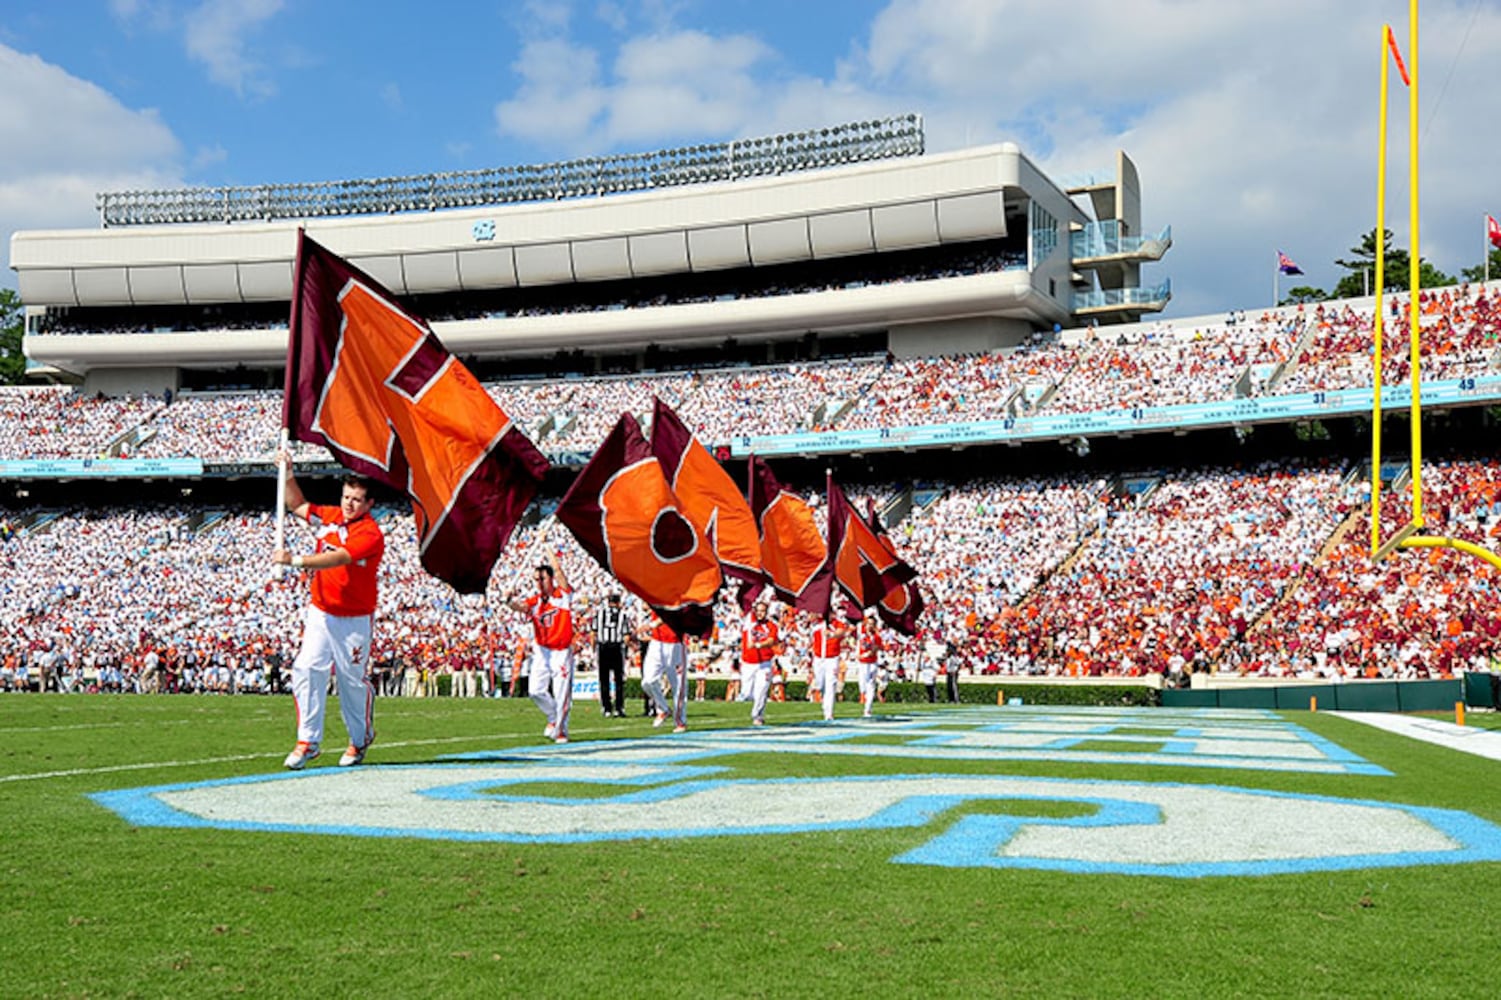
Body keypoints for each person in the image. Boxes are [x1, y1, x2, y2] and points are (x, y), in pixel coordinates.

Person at [272, 467, 385, 770]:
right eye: (347, 497)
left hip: (354, 618)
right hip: (321, 610)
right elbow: (296, 505)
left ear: (369, 504)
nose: (349, 504)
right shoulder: (330, 516)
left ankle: (360, 738)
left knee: (351, 682)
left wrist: (296, 561)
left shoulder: (370, 534)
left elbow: (339, 558)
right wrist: (288, 474)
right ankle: (308, 740)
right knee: (307, 667)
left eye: (357, 500)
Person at [508, 550, 575, 744]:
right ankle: (554, 717)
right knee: (535, 690)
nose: (539, 583)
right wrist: (508, 601)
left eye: (542, 579)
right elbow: (520, 607)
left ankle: (561, 729)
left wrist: (546, 548)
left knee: (562, 691)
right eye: (536, 579)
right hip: (542, 650)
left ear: (550, 579)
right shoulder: (536, 601)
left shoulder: (562, 596)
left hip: (560, 651)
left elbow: (560, 572)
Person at [640, 611, 687, 732]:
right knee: (647, 681)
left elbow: (673, 613)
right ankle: (663, 709)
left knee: (678, 686)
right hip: (657, 642)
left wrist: (653, 624)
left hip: (676, 643)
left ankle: (680, 722)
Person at [741, 600, 779, 726]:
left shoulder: (771, 626)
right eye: (758, 611)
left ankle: (758, 716)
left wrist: (757, 645)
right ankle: (755, 708)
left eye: (763, 611)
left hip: (764, 663)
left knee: (761, 690)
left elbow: (771, 641)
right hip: (748, 663)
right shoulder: (748, 623)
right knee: (746, 693)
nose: (760, 613)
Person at [593, 592, 630, 718]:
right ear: (618, 603)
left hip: (603, 647)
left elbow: (594, 633)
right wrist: (625, 651)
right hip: (616, 647)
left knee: (604, 679)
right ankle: (619, 708)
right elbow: (626, 636)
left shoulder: (599, 614)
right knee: (618, 680)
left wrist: (594, 649)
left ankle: (606, 707)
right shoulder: (622, 615)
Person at [810, 615, 851, 722]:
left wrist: (832, 634)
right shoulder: (816, 622)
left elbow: (841, 631)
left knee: (831, 684)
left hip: (832, 658)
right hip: (819, 658)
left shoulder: (837, 623)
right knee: (820, 684)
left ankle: (829, 713)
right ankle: (825, 705)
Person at [855, 614, 882, 718]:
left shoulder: (876, 636)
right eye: (868, 624)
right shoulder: (861, 634)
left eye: (872, 624)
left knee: (870, 686)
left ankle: (868, 709)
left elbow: (876, 647)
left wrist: (869, 653)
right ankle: (865, 697)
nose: (870, 626)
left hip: (871, 663)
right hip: (862, 663)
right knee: (863, 686)